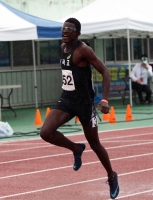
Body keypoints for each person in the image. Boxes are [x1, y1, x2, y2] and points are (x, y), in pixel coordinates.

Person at [39, 18, 119, 199]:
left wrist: (105, 99)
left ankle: (112, 176)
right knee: (46, 132)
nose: (65, 31)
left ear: (77, 33)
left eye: (70, 29)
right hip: (67, 99)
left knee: (95, 144)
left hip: (84, 104)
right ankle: (76, 149)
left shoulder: (83, 50)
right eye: (63, 28)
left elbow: (105, 72)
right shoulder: (62, 47)